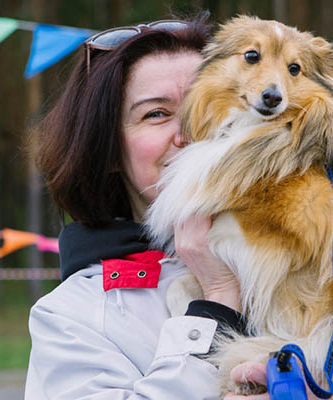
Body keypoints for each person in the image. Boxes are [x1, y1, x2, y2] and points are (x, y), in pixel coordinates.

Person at [24, 17, 270, 400]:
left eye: (208, 104)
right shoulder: (71, 314)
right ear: (109, 152)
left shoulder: (319, 254)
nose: (189, 133)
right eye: (156, 114)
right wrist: (218, 298)